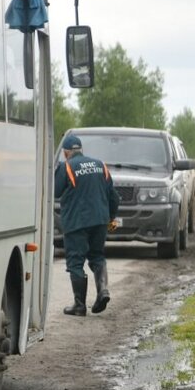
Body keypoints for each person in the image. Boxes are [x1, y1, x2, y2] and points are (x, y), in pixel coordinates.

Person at [54, 134, 121, 317]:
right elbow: (113, 196)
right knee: (97, 256)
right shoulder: (100, 165)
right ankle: (103, 291)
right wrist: (111, 217)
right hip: (100, 220)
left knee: (75, 262)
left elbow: (55, 191)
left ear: (66, 152)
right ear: (81, 150)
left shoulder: (66, 166)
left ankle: (79, 305)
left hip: (77, 223)